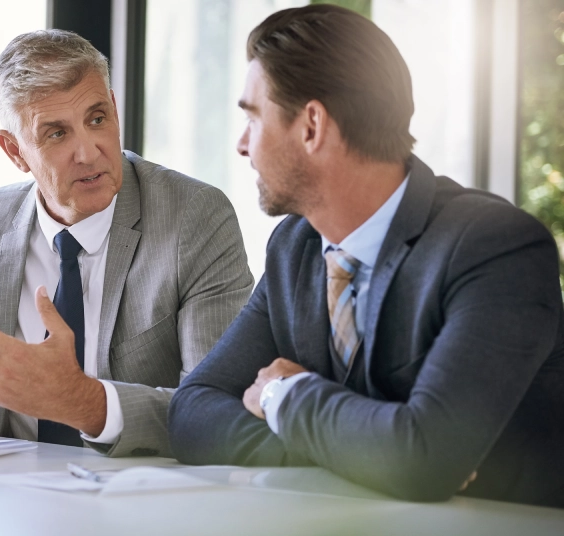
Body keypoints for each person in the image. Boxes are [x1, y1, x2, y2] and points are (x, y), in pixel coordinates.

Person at [167, 4, 564, 507]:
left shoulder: (496, 248)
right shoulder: (296, 247)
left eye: (253, 117)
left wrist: (281, 397)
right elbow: (192, 414)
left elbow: (424, 460)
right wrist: (369, 452)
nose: (242, 144)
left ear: (312, 125)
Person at [0, 29, 254, 457]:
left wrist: (85, 403)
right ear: (15, 151)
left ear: (115, 108)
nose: (88, 152)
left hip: (146, 504)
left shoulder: (193, 216)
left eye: (97, 118)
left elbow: (218, 411)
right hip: (19, 504)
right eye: (57, 134)